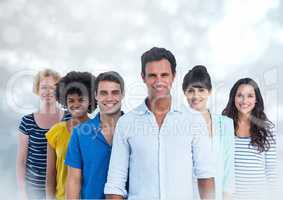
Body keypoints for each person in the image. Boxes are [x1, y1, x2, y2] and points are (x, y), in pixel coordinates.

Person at [105, 47, 215, 199]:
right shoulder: (126, 123)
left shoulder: (194, 120)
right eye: (152, 75)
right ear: (143, 77)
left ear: (173, 76)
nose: (159, 81)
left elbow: (205, 175)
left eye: (164, 75)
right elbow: (115, 184)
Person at [65, 71, 124, 199]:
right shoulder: (80, 133)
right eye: (103, 93)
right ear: (96, 95)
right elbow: (73, 180)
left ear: (122, 95)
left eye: (115, 92)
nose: (109, 98)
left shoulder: (134, 130)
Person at [16, 69, 71, 199]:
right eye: (44, 87)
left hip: (61, 188)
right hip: (34, 190)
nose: (48, 92)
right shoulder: (27, 121)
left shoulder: (70, 118)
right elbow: (21, 161)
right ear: (37, 90)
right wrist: (23, 192)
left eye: (53, 87)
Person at [182, 65, 234, 200]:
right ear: (184, 92)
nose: (196, 96)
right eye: (191, 91)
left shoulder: (225, 124)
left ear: (209, 91)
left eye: (201, 90)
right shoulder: (176, 123)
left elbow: (228, 170)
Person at [222, 78, 277, 199]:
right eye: (240, 95)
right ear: (233, 98)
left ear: (256, 99)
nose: (244, 100)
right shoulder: (223, 125)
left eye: (250, 96)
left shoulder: (266, 129)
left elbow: (271, 171)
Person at [45, 71, 96, 199]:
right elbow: (51, 175)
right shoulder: (55, 132)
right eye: (71, 100)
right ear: (64, 101)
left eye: (81, 100)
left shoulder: (99, 130)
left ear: (90, 100)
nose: (76, 104)